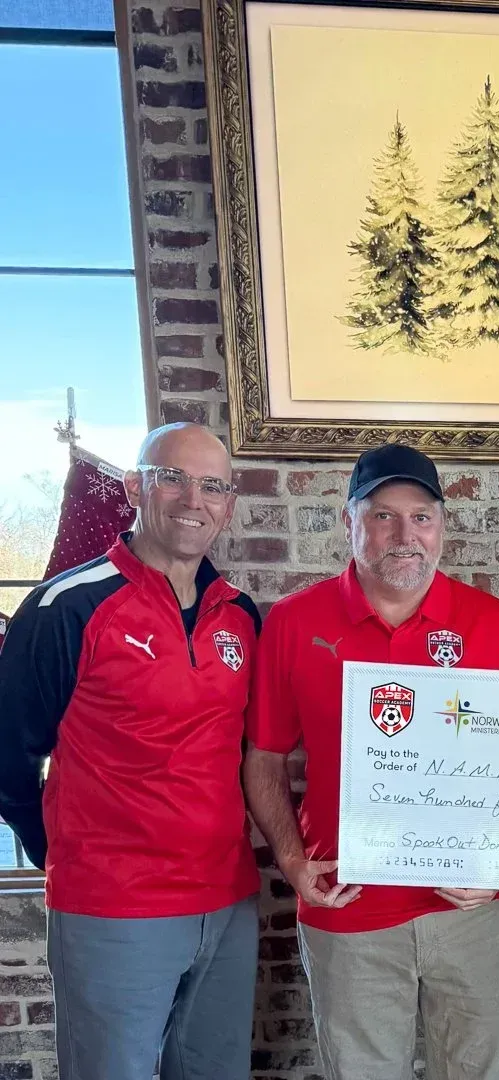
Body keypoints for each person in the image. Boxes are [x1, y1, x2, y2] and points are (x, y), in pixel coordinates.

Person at [243, 443, 499, 1080]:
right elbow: (264, 758)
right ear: (349, 521)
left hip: (466, 906)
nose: (406, 535)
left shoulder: (491, 623)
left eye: (421, 517)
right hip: (348, 904)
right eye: (383, 516)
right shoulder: (294, 622)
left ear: (442, 526)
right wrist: (290, 859)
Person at [0, 423, 261, 1080]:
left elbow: (248, 753)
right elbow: (6, 754)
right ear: (134, 487)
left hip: (227, 903)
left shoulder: (241, 615)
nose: (193, 500)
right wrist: (63, 850)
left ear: (229, 505)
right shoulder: (67, 606)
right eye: (173, 478)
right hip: (114, 908)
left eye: (212, 486)